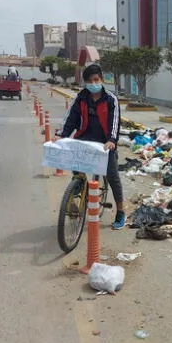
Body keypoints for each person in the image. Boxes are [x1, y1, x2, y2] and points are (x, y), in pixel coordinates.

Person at [59, 64, 125, 230]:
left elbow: (115, 122)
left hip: (105, 142)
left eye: (96, 80)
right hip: (85, 138)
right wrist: (62, 136)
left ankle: (121, 211)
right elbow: (71, 119)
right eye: (89, 81)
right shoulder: (80, 98)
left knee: (112, 175)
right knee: (77, 168)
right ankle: (79, 191)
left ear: (101, 80)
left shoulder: (111, 99)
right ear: (85, 83)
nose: (93, 83)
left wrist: (111, 140)